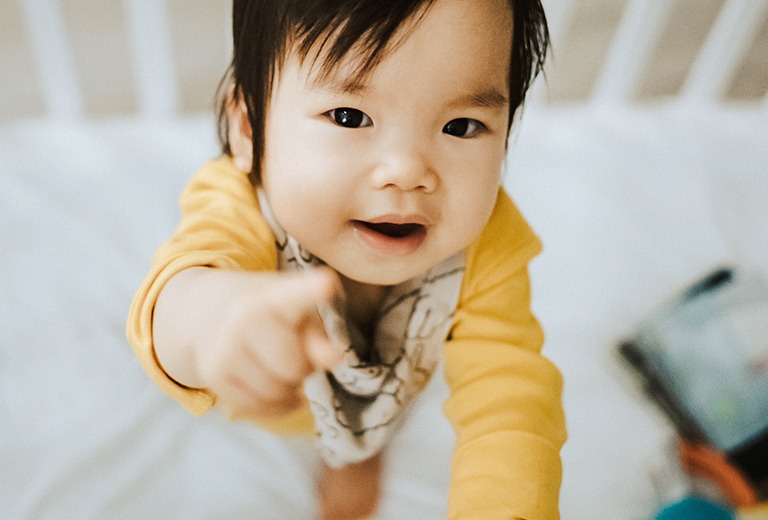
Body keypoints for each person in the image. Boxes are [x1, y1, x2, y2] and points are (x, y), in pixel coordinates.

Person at [126, 0, 566, 518]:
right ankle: (342, 444)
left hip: (388, 389)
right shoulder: (239, 206)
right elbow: (180, 294)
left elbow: (510, 402)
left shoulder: (488, 241)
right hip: (284, 401)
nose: (407, 171)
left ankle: (357, 451)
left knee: (375, 422)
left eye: (462, 126)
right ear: (248, 130)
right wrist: (216, 320)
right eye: (349, 117)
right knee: (298, 418)